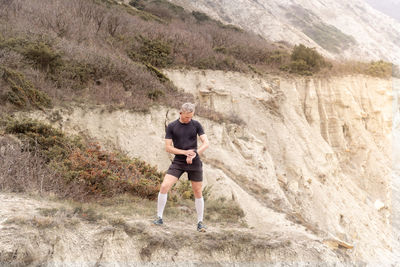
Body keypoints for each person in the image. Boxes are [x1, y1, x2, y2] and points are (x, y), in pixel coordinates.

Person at [153, 102, 209, 232]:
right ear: (180, 113)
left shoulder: (196, 125)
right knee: (164, 186)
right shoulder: (172, 126)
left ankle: (200, 222)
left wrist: (194, 154)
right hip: (178, 161)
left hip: (194, 161)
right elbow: (168, 148)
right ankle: (159, 217)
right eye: (186, 117)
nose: (189, 119)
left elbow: (206, 143)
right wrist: (184, 153)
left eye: (191, 117)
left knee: (197, 191)